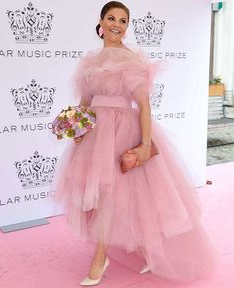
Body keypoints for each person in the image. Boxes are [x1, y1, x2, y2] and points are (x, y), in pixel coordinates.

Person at [52, 1, 218, 286]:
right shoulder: (90, 61)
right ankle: (146, 253)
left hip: (123, 132)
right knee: (109, 197)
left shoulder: (133, 60)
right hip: (96, 135)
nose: (117, 24)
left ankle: (100, 257)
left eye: (123, 20)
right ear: (101, 22)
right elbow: (85, 103)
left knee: (123, 196)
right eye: (112, 18)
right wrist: (77, 128)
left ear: (127, 27)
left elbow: (143, 105)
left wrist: (145, 144)